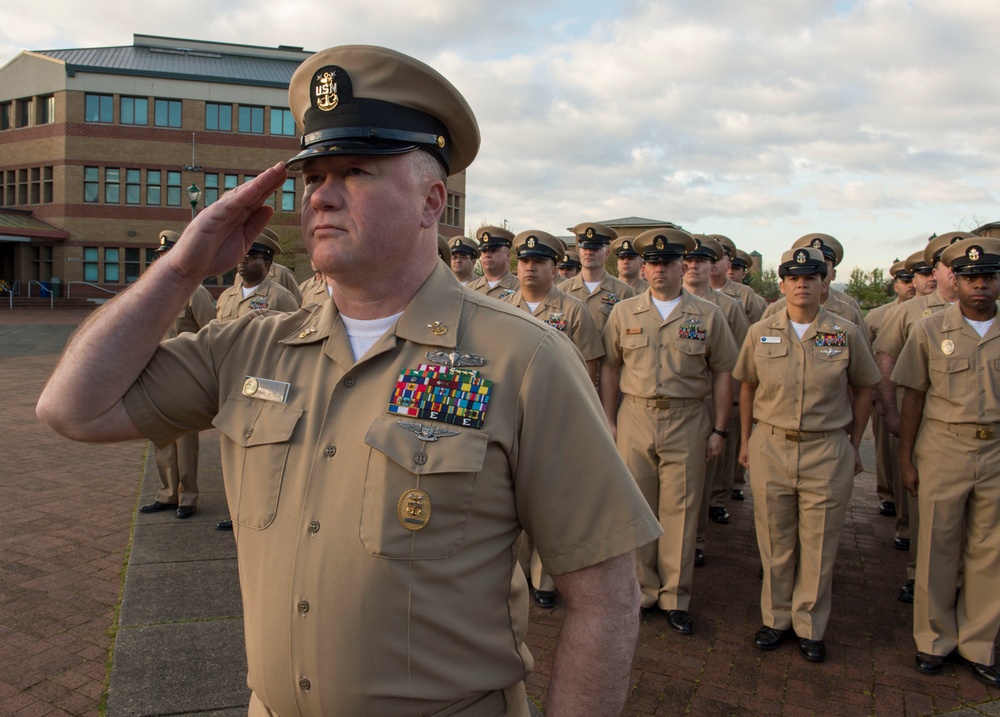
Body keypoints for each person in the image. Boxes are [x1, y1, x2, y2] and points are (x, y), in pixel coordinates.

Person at [36, 44, 662, 717]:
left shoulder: (523, 357)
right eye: (312, 176)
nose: (323, 194)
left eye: (355, 170)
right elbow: (72, 407)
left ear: (431, 202)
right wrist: (184, 265)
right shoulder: (252, 346)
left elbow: (603, 596)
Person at [735, 246, 879, 663]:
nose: (802, 284)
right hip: (771, 444)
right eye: (793, 277)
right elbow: (746, 385)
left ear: (825, 283)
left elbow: (865, 388)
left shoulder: (845, 332)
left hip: (826, 447)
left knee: (819, 543)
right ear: (781, 285)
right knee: (775, 538)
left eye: (811, 277)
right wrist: (745, 441)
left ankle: (810, 626)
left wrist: (853, 446)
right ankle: (776, 618)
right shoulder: (760, 331)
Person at [600, 227, 737, 635]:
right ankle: (643, 588)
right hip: (636, 416)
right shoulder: (623, 313)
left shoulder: (709, 315)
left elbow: (723, 371)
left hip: (687, 418)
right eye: (654, 263)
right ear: (644, 268)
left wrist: (719, 429)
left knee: (681, 508)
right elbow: (610, 366)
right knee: (638, 508)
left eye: (669, 263)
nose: (660, 270)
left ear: (684, 267)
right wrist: (609, 417)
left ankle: (676, 595)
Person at [894, 236, 1000, 687]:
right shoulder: (929, 329)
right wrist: (906, 459)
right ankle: (933, 640)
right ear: (954, 281)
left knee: (990, 551)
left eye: (988, 277)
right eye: (971, 277)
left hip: (996, 450)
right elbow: (913, 397)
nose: (979, 285)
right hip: (943, 446)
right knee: (937, 545)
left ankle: (979, 644)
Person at [503, 229, 605, 608]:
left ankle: (545, 579)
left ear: (554, 268)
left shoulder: (575, 310)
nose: (531, 268)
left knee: (548, 497)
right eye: (526, 262)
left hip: (554, 414)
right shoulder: (501, 305)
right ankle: (515, 574)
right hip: (508, 413)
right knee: (508, 496)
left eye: (540, 262)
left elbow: (590, 365)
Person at [872, 232, 972, 601]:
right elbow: (885, 363)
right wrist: (890, 411)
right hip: (927, 427)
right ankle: (919, 571)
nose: (940, 275)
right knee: (924, 512)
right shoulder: (910, 314)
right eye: (948, 266)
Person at [137, 230, 216, 519]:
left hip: (185, 378)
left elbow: (211, 332)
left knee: (185, 441)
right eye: (158, 256)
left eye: (166, 254)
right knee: (161, 438)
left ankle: (188, 497)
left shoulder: (196, 292)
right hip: (156, 376)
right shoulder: (155, 295)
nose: (161, 260)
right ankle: (167, 493)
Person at [683, 236, 748, 566]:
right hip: (675, 402)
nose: (693, 266)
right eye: (689, 260)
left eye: (701, 261)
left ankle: (694, 539)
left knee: (699, 481)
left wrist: (732, 405)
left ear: (713, 266)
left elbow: (735, 363)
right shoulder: (648, 301)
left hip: (709, 401)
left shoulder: (727, 307)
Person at [863, 260, 915, 520]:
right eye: (906, 281)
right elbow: (870, 356)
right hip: (889, 390)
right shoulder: (877, 315)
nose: (912, 285)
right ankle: (888, 495)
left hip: (918, 394)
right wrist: (877, 394)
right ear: (897, 285)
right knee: (888, 449)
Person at [562, 222, 635, 332]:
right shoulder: (562, 290)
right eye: (584, 248)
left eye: (595, 249)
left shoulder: (624, 292)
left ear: (607, 254)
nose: (589, 253)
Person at [215, 231, 300, 321]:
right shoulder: (226, 296)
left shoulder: (281, 297)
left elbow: (294, 331)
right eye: (241, 256)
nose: (243, 261)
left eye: (249, 256)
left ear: (266, 264)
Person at [234, 227, 304, 305]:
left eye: (250, 256)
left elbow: (298, 304)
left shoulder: (282, 273)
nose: (243, 260)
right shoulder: (239, 276)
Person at [466, 225, 519, 298]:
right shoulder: (469, 290)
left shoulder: (521, 288)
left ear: (508, 255)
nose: (487, 255)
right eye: (484, 251)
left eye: (493, 251)